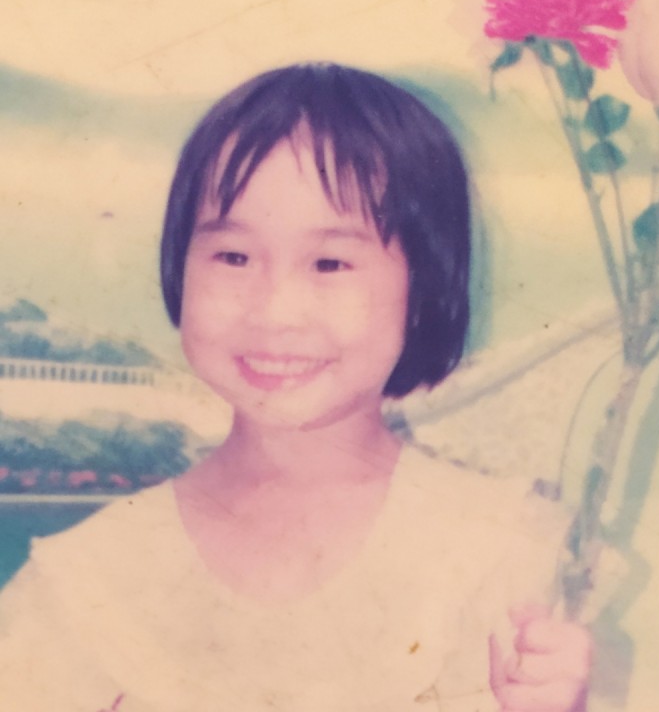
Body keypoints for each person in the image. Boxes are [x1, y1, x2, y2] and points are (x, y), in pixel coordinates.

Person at [0, 63, 590, 711]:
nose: (275, 310)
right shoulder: (89, 578)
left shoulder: (501, 548)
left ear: (424, 288)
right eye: (233, 257)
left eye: (330, 263)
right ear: (179, 267)